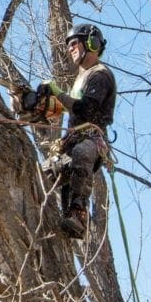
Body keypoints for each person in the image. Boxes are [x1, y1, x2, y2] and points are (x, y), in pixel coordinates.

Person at [46, 23, 116, 239]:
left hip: (91, 139)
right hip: (71, 140)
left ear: (91, 43)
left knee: (82, 153)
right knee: (46, 172)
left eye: (74, 43)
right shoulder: (80, 79)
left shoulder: (100, 75)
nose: (70, 49)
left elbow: (86, 109)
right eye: (69, 45)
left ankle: (78, 213)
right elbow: (64, 108)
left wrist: (57, 93)